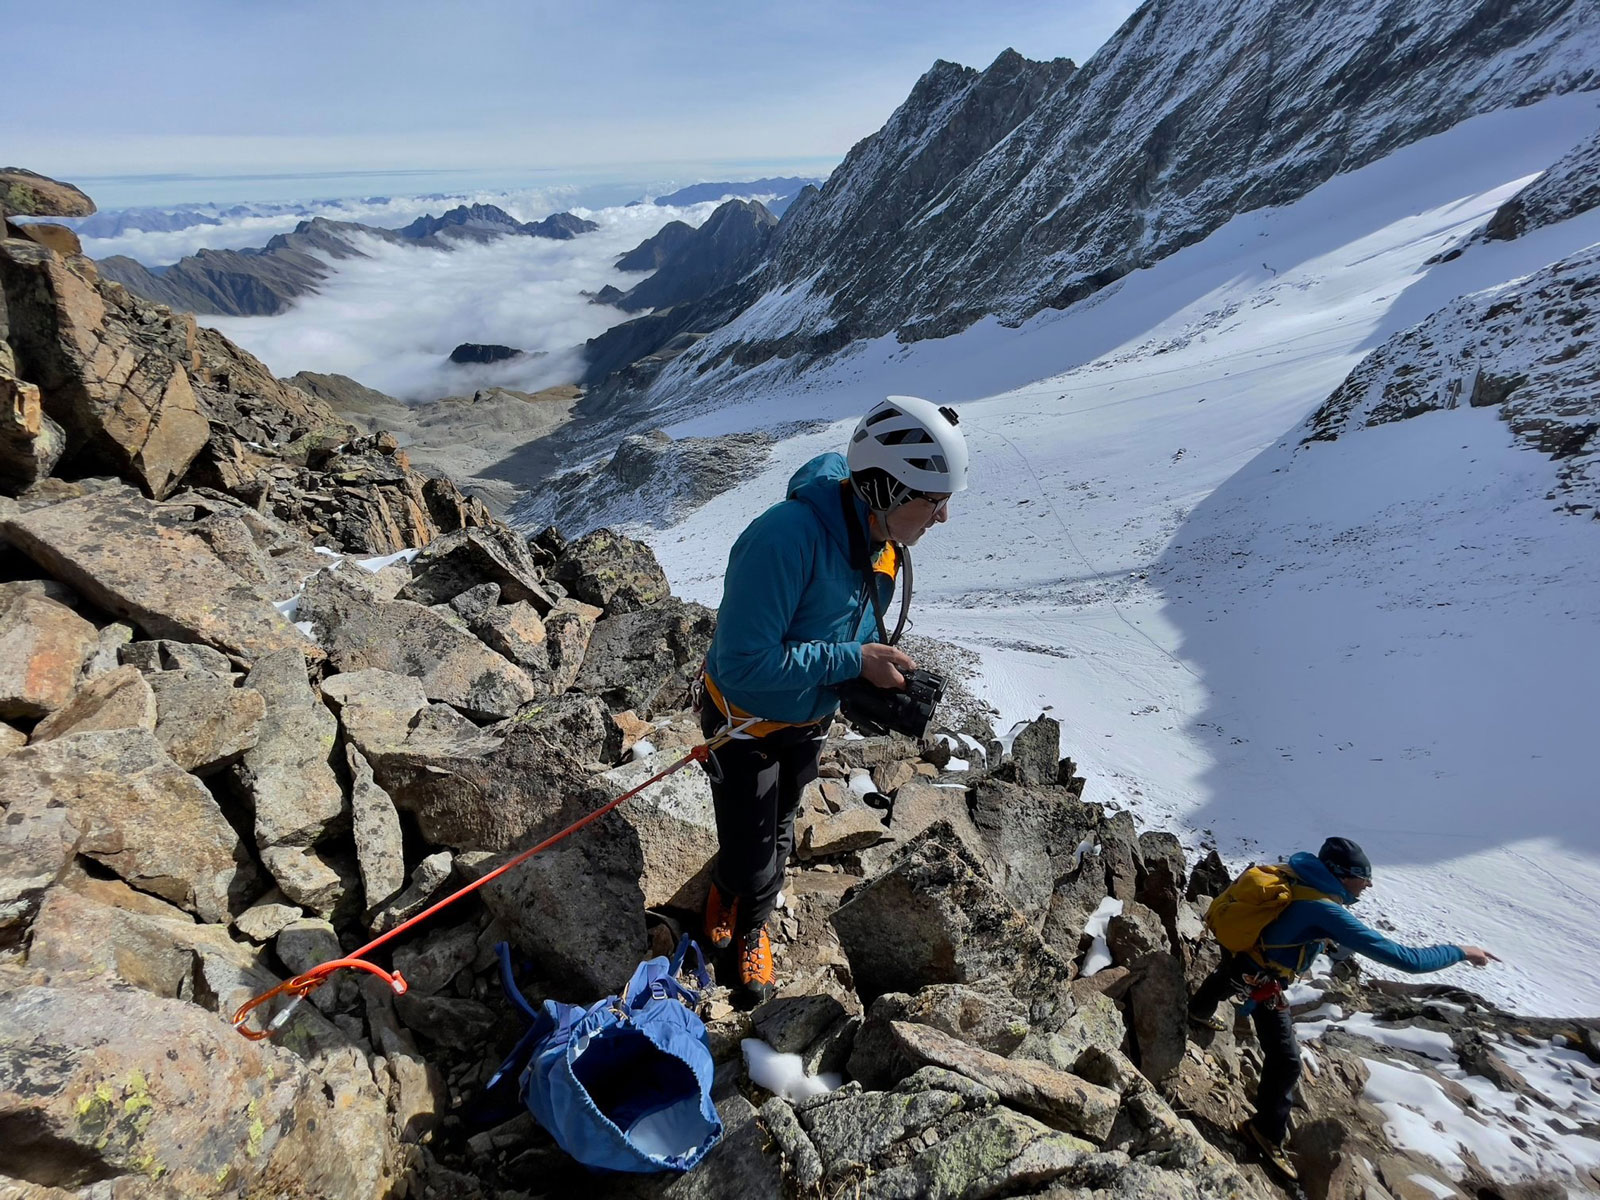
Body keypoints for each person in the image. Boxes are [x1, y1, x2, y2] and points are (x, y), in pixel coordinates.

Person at [696, 395, 969, 1001]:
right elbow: (742, 663)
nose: (943, 517)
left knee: (781, 822)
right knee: (749, 849)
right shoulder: (783, 540)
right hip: (743, 725)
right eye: (934, 500)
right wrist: (852, 662)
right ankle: (737, 897)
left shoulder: (882, 545)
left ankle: (748, 908)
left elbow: (849, 628)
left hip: (806, 721)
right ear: (888, 490)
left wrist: (873, 672)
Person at [1188, 836, 1498, 1180]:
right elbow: (1407, 960)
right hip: (1263, 976)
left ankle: (1197, 1010)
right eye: (1363, 878)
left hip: (1242, 951)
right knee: (1287, 1061)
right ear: (1341, 876)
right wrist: (1461, 951)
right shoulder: (1325, 909)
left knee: (1228, 977)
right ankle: (1264, 1133)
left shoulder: (1296, 874)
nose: (1367, 885)